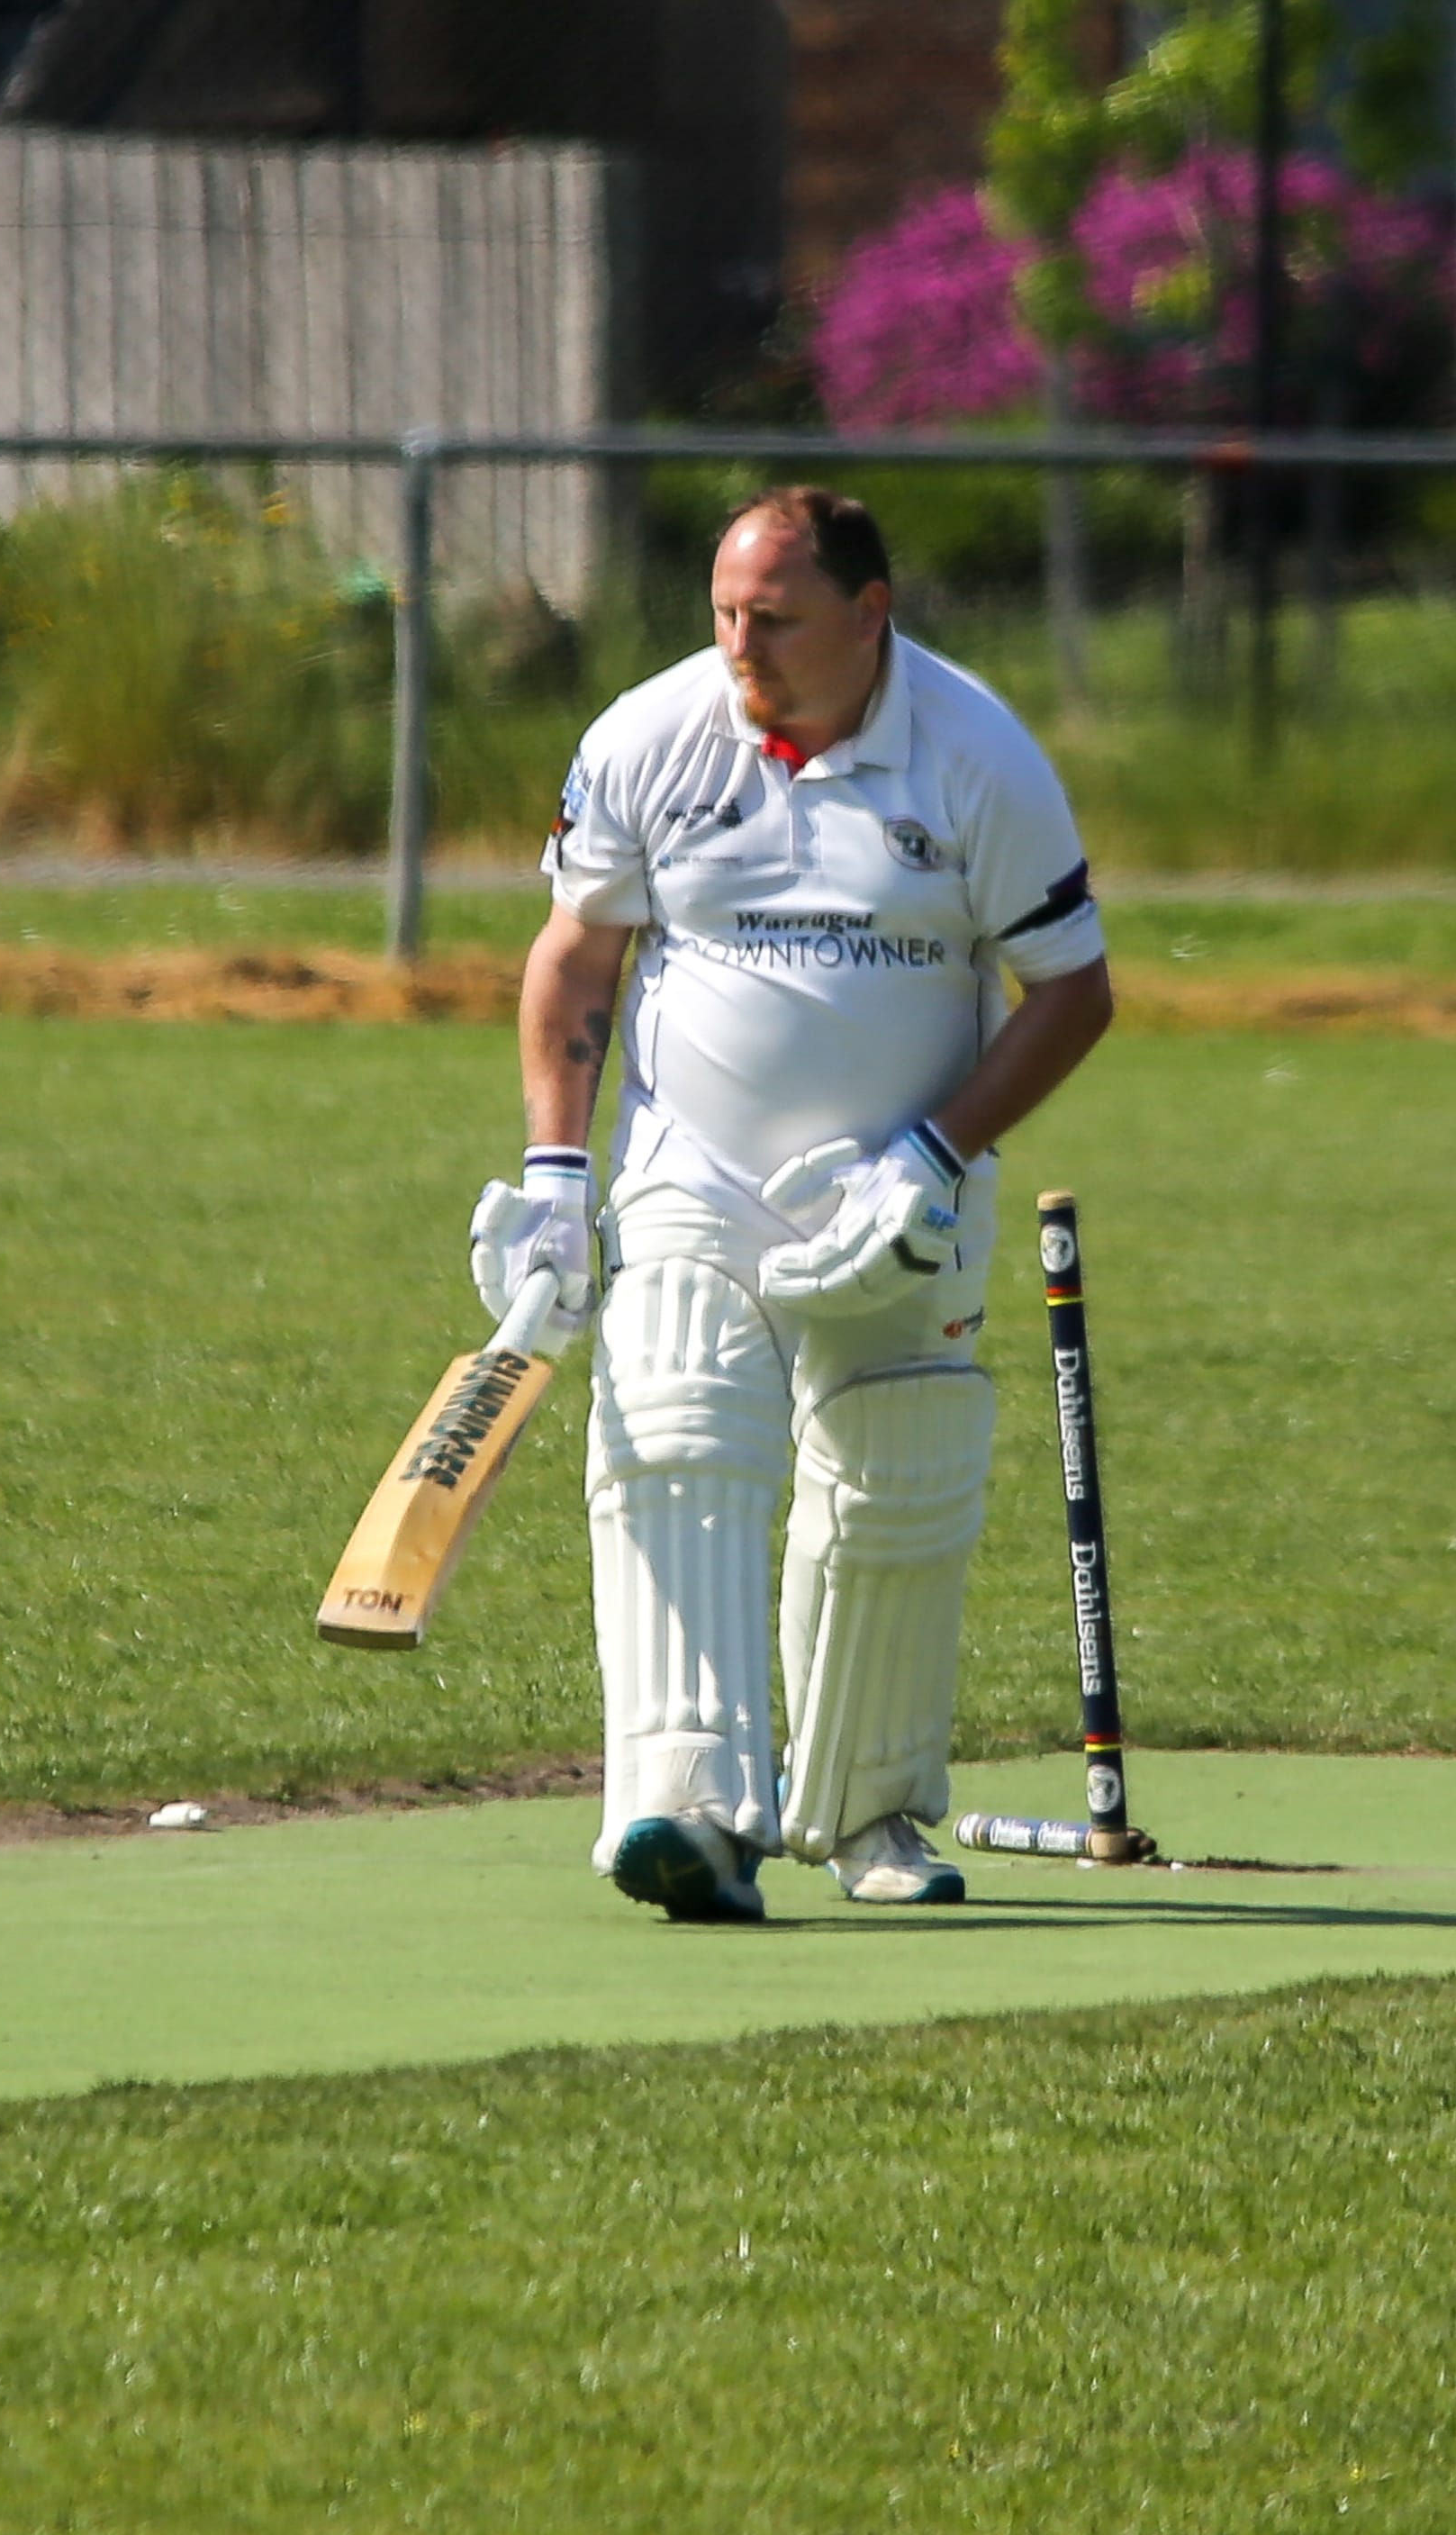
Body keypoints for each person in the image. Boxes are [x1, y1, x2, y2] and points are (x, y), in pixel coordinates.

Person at [469, 485, 1112, 1921]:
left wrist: (934, 1157)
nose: (739, 646)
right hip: (693, 1173)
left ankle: (870, 1816)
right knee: (681, 1423)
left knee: (895, 1481)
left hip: (898, 1186)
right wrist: (561, 1175)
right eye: (723, 615)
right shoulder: (652, 735)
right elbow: (577, 959)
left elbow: (1073, 991)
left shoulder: (973, 754)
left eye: (774, 619)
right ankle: (688, 1810)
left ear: (868, 615)